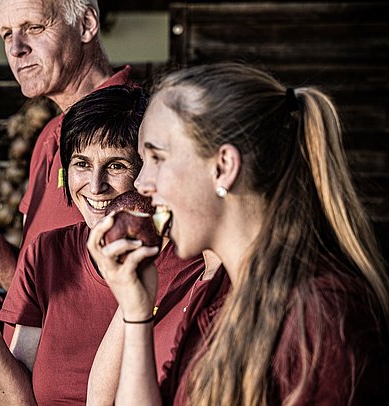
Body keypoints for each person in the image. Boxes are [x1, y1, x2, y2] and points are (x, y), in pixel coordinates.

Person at [87, 63, 389, 405]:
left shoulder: (324, 318)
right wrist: (136, 309)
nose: (141, 184)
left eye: (157, 157)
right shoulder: (214, 295)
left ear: (223, 167)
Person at [0, 85, 218, 405]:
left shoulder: (192, 265)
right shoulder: (47, 253)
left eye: (116, 165)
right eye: (81, 164)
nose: (95, 187)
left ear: (148, 173)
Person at [0, 0, 131, 291]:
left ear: (86, 24)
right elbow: (30, 292)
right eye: (6, 34)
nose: (16, 48)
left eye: (34, 27)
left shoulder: (138, 126)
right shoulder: (49, 135)